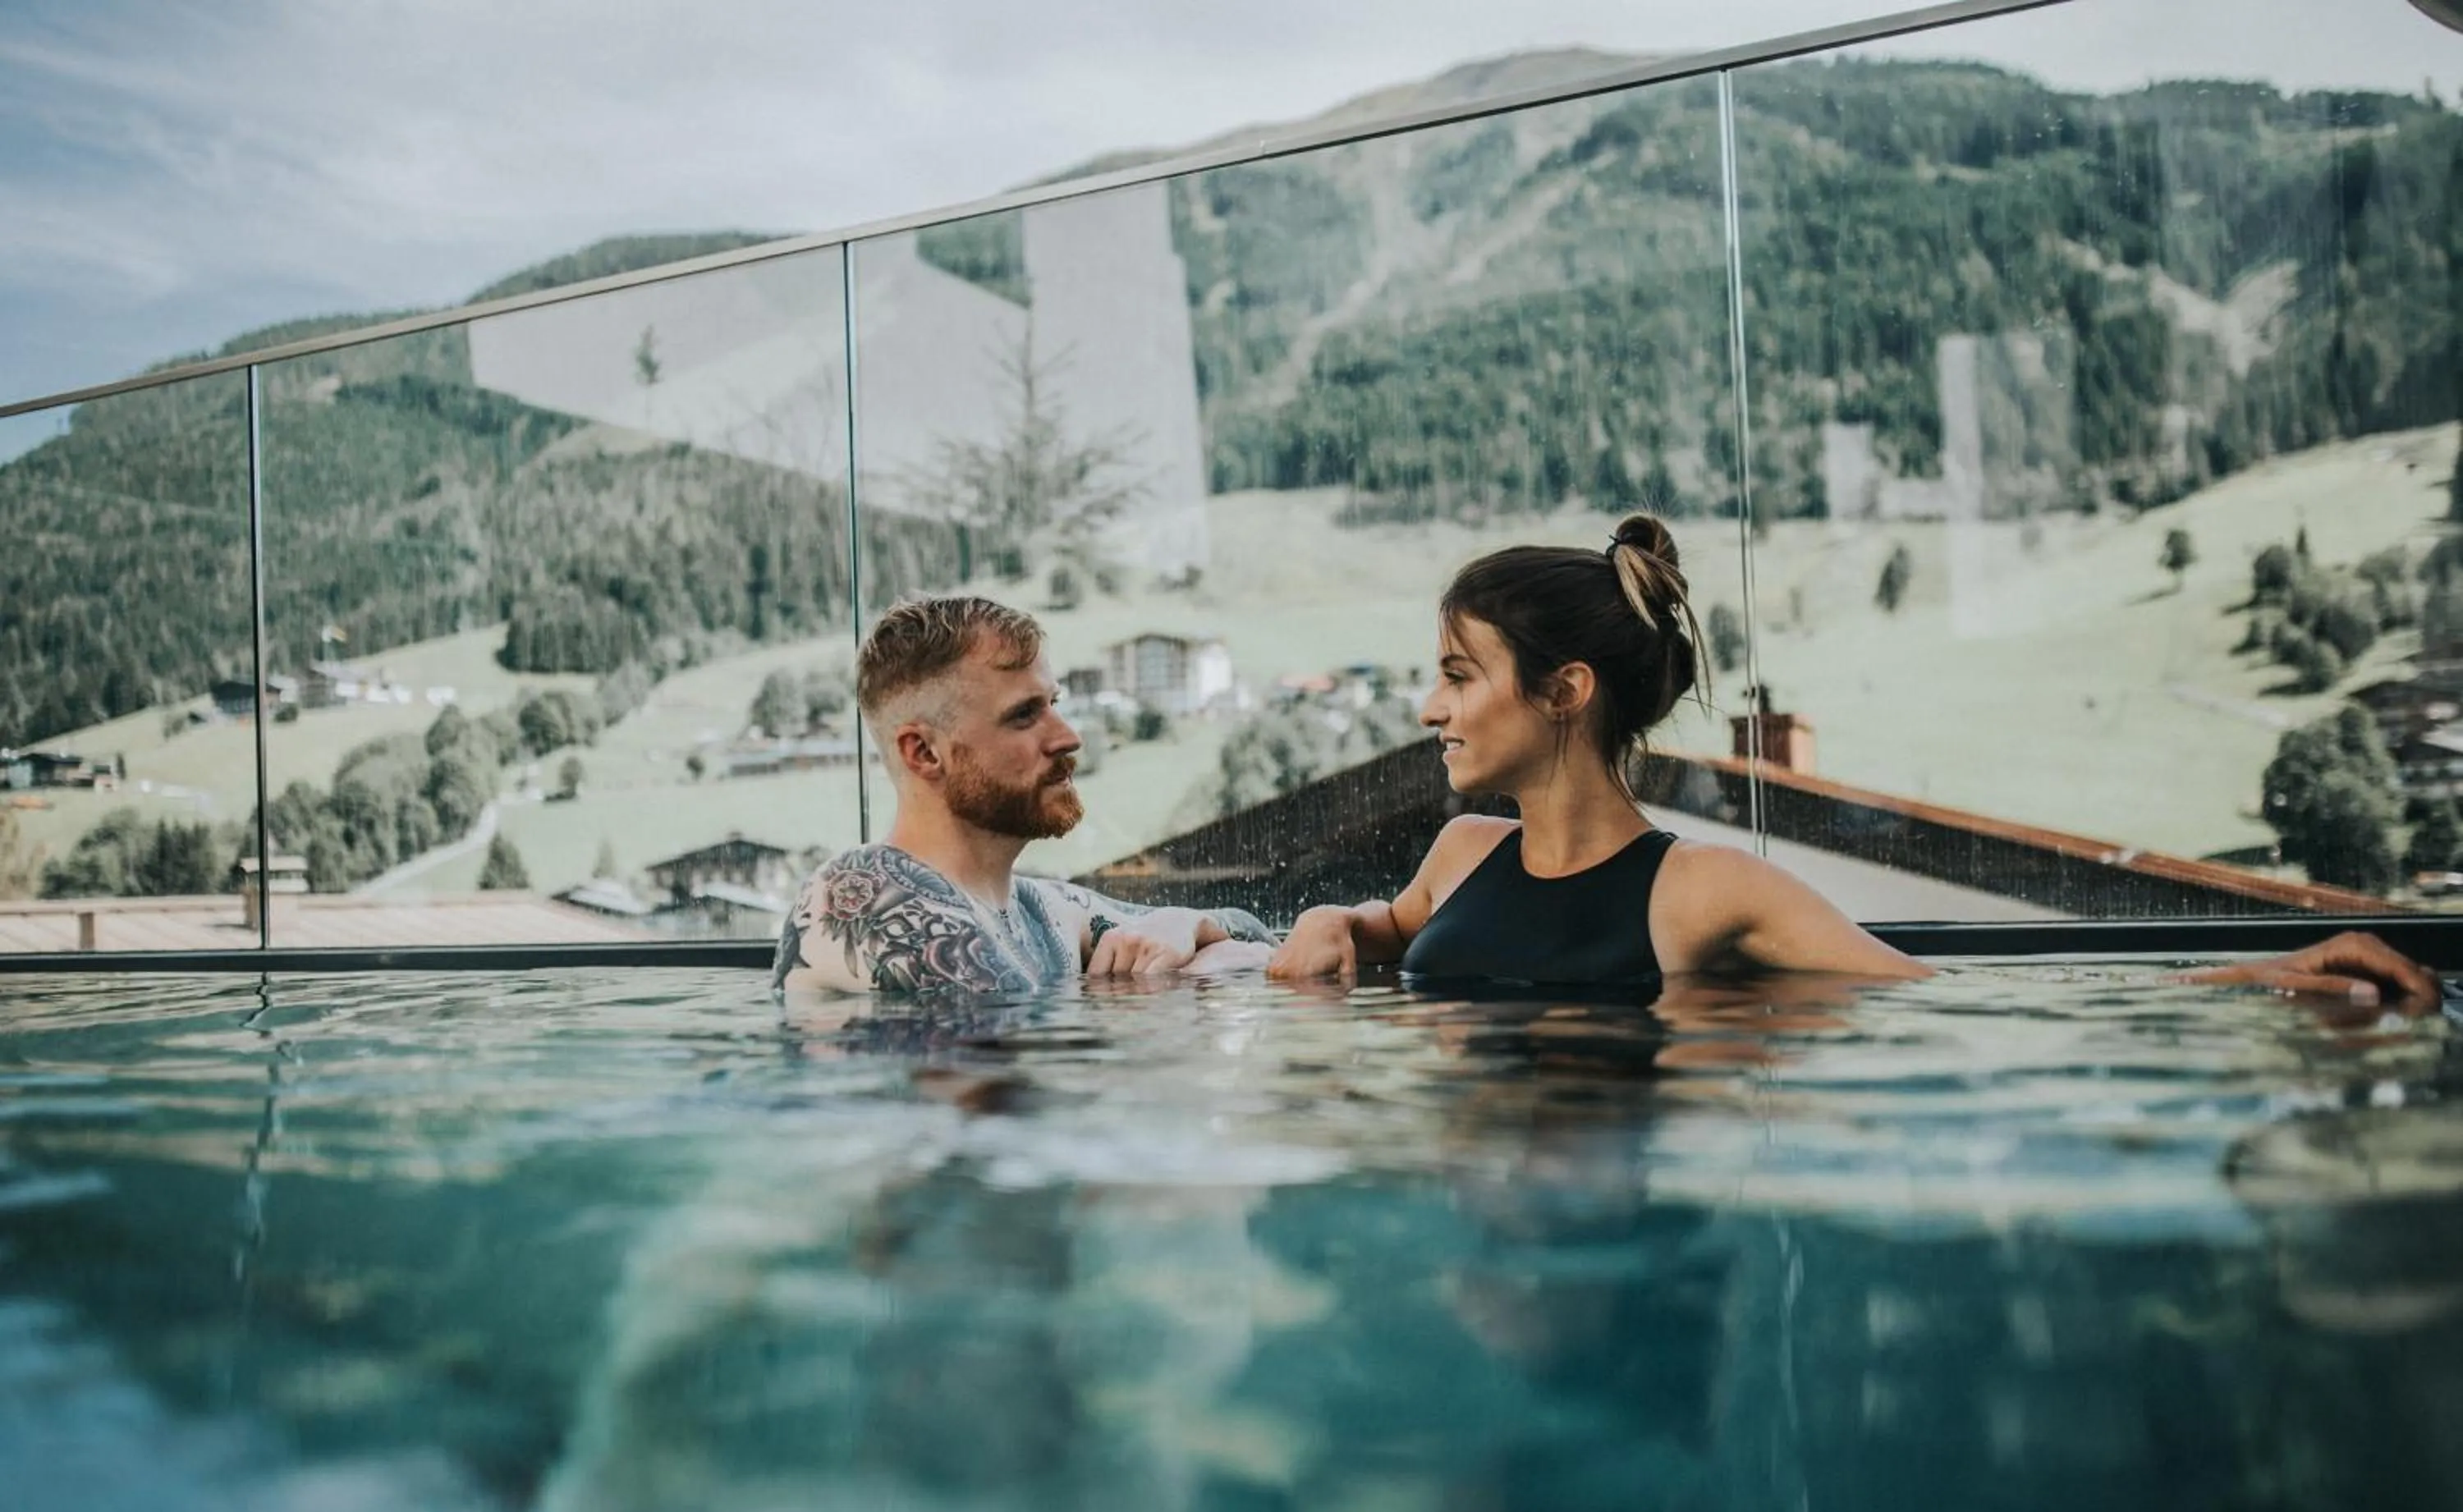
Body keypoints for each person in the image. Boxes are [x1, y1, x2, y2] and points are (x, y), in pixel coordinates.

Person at [1267, 514, 2443, 1012]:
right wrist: (1349, 920)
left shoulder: (1706, 891)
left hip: (1609, 1218)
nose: (1431, 708)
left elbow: (1947, 1001)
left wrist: (2256, 985)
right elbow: (1392, 928)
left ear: (1565, 691)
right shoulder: (1462, 854)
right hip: (1469, 1204)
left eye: (1460, 674)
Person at [774, 595, 1273, 996]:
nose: (1068, 737)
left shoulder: (1040, 909)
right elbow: (1013, 1076)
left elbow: (1256, 934)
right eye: (1023, 715)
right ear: (924, 752)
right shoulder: (864, 895)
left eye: (1053, 704)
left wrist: (1188, 925)